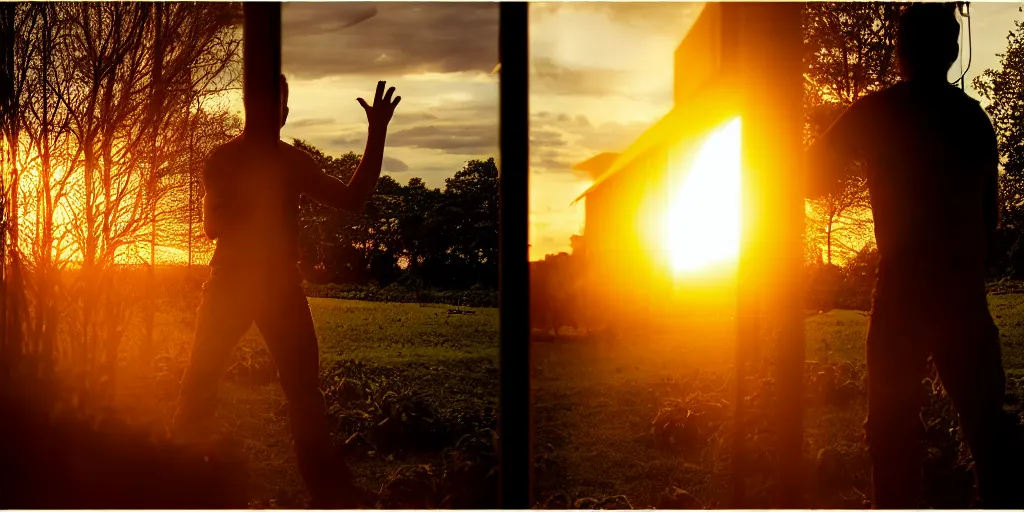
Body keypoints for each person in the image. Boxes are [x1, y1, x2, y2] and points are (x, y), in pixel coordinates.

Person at [807, 3, 1022, 508]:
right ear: (950, 52)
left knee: (890, 432)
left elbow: (811, 177)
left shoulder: (878, 110)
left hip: (902, 292)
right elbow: (989, 221)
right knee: (987, 431)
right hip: (963, 295)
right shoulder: (973, 119)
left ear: (899, 52)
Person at [172, 75, 400, 508]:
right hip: (232, 284)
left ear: (284, 114)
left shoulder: (291, 161)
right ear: (250, 109)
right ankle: (177, 481)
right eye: (260, 102)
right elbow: (211, 226)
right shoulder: (223, 159)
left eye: (276, 104)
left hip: (277, 286)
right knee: (199, 383)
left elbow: (352, 200)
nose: (268, 111)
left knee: (302, 393)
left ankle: (329, 493)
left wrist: (377, 133)